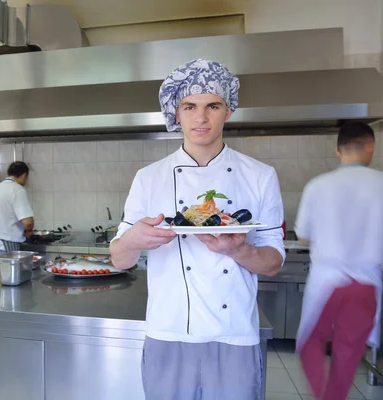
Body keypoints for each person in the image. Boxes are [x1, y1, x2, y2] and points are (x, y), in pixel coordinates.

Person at [109, 59, 285, 399]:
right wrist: (132, 240)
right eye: (190, 106)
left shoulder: (260, 176)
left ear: (228, 111)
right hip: (168, 332)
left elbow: (274, 262)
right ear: (177, 113)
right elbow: (119, 260)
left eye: (212, 106)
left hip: (234, 334)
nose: (201, 118)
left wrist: (237, 249)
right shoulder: (149, 178)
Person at [295, 121, 383, 400]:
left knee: (309, 344)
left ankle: (322, 394)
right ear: (370, 147)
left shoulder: (318, 186)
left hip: (327, 282)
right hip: (367, 284)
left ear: (337, 150)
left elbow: (304, 237)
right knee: (347, 355)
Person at [0, 161, 34, 255]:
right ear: (24, 175)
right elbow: (28, 223)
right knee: (9, 270)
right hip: (6, 247)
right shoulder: (18, 190)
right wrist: (29, 231)